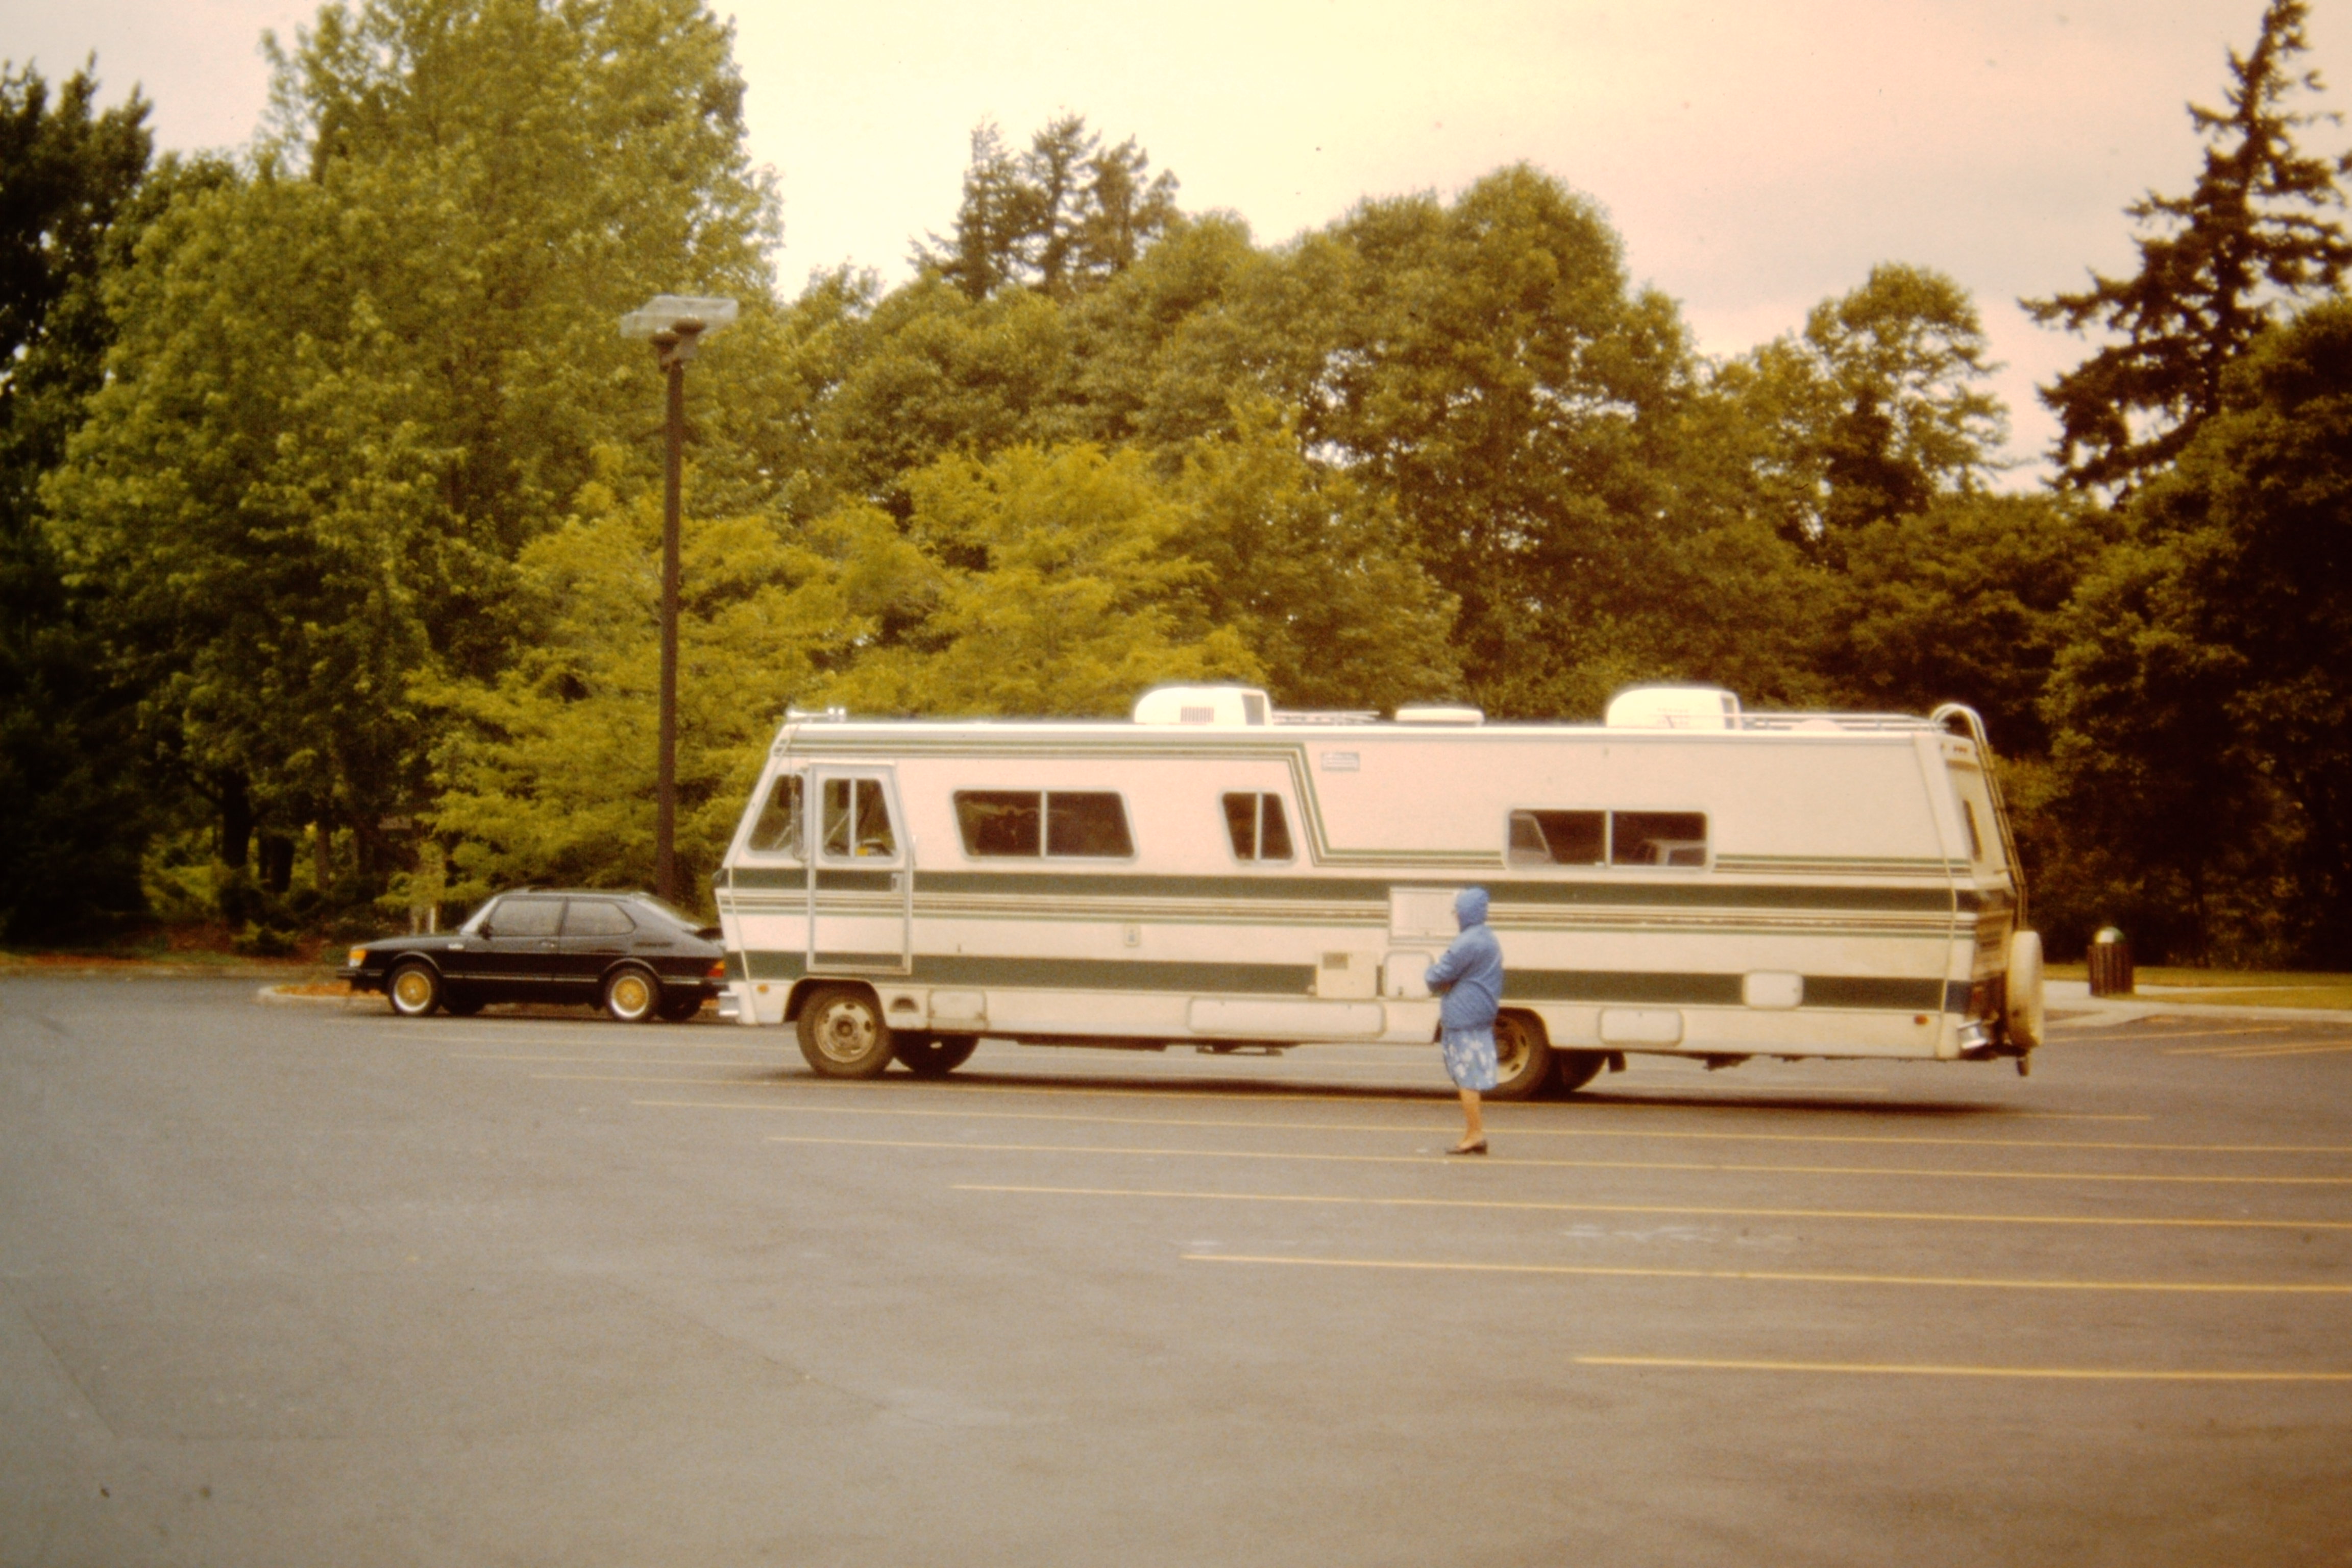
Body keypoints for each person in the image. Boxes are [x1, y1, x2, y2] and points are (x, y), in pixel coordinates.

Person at [1425, 886, 1503, 1156]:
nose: (1456, 915)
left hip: (1464, 1016)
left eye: (1457, 910)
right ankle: (1474, 1132)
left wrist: (1432, 974)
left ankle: (1475, 1134)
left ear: (1466, 911)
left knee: (1467, 1078)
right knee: (1471, 1075)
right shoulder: (1488, 938)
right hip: (1480, 1014)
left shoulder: (1467, 942)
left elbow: (1437, 975)